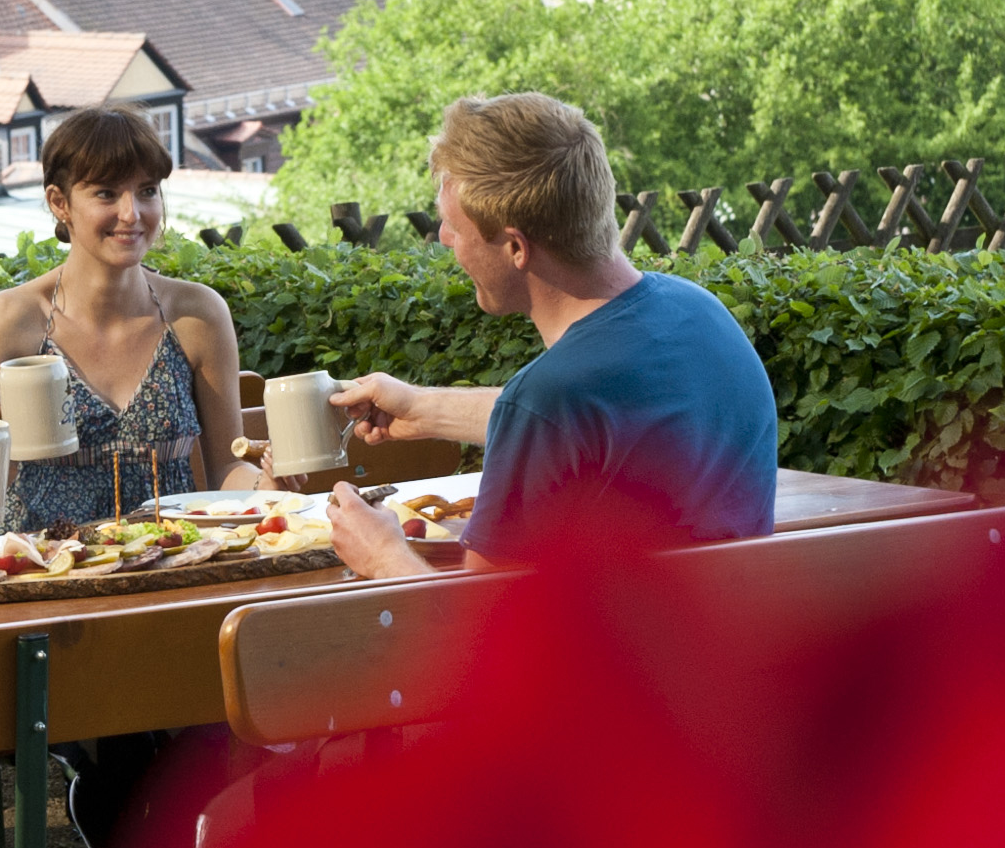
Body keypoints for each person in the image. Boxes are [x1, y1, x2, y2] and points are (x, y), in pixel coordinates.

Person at [321, 91, 779, 580]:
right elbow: (598, 425)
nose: (445, 240)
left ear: (516, 247)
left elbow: (483, 629)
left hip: (613, 658)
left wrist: (383, 555)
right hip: (732, 640)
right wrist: (421, 408)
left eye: (454, 227)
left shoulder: (552, 398)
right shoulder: (701, 314)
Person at [0, 102, 244, 526]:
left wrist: (268, 485)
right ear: (59, 202)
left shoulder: (196, 314)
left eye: (147, 191)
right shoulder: (13, 318)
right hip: (43, 572)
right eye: (106, 193)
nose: (132, 213)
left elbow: (227, 470)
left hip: (170, 568)